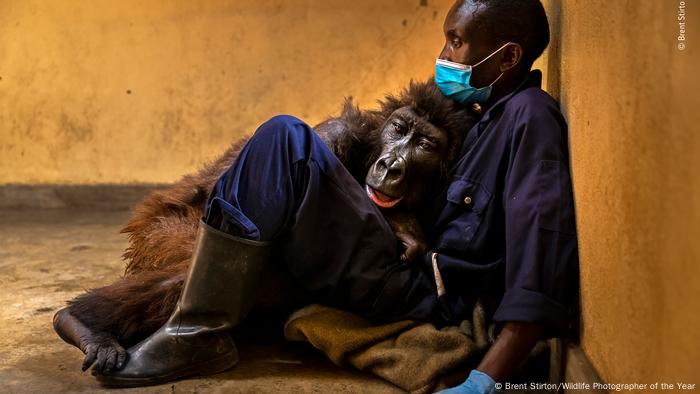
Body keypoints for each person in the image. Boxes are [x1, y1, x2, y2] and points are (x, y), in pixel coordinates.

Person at [97, 1, 578, 392]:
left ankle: (196, 333)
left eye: (457, 40)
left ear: (510, 56)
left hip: (421, 292)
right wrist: (398, 224)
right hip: (397, 258)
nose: (446, 52)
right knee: (291, 145)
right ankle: (193, 317)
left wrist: (483, 380)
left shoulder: (529, 118)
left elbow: (541, 247)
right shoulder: (474, 107)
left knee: (286, 139)